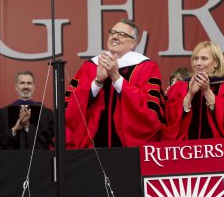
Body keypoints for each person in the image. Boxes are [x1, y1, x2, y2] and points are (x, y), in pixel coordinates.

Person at [65, 19, 165, 148]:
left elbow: (151, 113)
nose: (115, 36)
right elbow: (70, 108)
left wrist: (117, 79)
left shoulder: (146, 67)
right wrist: (97, 82)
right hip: (93, 147)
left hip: (128, 149)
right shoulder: (90, 66)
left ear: (133, 43)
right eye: (112, 32)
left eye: (122, 34)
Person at [164, 41, 224, 145]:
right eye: (196, 58)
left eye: (204, 58)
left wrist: (207, 91)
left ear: (216, 63)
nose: (198, 63)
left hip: (216, 150)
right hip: (185, 150)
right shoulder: (180, 86)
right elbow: (169, 118)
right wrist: (190, 95)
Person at [0, 71, 54, 149]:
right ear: (16, 87)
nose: (26, 86)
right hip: (11, 159)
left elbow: (48, 141)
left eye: (29, 83)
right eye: (22, 83)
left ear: (34, 87)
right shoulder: (3, 113)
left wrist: (28, 127)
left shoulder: (45, 113)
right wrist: (14, 129)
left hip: (38, 159)